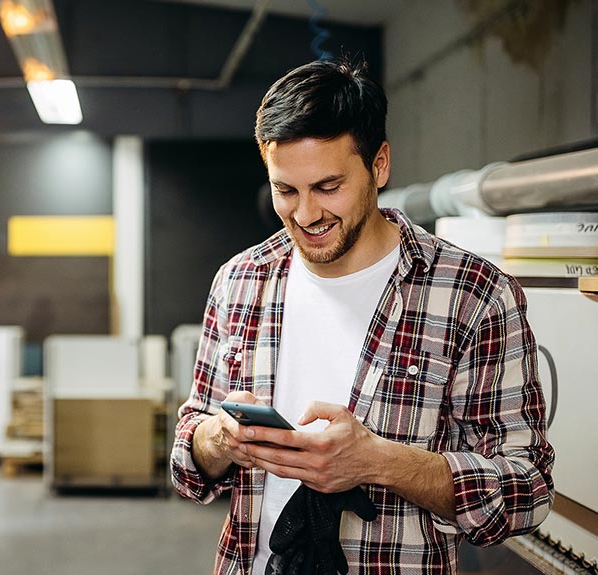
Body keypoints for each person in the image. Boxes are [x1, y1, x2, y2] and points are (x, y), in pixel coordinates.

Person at [171, 58, 554, 575]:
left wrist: (378, 461)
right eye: (286, 190)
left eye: (329, 187)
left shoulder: (472, 294)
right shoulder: (241, 281)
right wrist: (218, 439)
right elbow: (189, 462)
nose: (305, 215)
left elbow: (525, 491)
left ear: (379, 165)